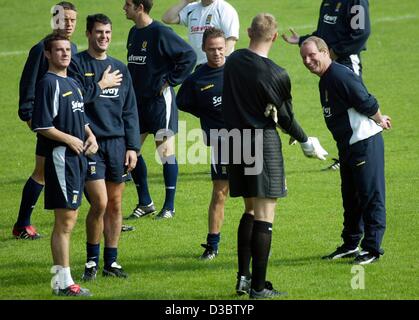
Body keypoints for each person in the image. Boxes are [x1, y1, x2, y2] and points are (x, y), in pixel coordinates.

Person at [222, 13, 327, 299]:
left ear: (248, 32)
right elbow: (286, 118)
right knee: (265, 218)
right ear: (275, 37)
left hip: (233, 143)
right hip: (261, 145)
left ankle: (243, 278)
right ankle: (258, 288)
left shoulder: (232, 61)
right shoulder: (276, 74)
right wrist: (307, 140)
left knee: (250, 211)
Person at [300, 36, 391, 265]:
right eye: (304, 57)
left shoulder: (339, 75)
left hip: (364, 143)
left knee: (370, 196)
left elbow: (365, 100)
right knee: (350, 198)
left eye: (312, 55)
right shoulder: (325, 80)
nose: (308, 60)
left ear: (325, 52)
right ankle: (350, 244)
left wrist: (380, 119)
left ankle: (371, 248)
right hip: (348, 147)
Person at [69, 14, 140, 280]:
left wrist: (133, 147)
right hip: (90, 144)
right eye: (99, 32)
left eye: (108, 32)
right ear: (88, 34)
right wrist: (100, 85)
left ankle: (111, 262)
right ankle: (90, 262)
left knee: (116, 204)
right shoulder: (76, 64)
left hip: (117, 144)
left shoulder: (120, 68)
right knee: (99, 202)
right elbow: (73, 102)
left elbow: (131, 110)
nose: (104, 37)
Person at [31, 33, 98, 296]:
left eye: (67, 49)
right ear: (48, 54)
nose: (65, 54)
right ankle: (63, 282)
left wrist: (89, 135)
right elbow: (42, 124)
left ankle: (64, 280)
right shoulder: (48, 83)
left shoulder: (72, 81)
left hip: (77, 158)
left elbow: (78, 116)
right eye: (58, 50)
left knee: (72, 217)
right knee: (65, 221)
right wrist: (70, 138)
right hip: (61, 158)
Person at [123, 0, 196, 220]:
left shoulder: (161, 32)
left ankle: (169, 206)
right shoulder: (133, 33)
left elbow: (189, 56)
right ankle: (145, 202)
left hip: (158, 103)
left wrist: (170, 80)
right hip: (137, 104)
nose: (123, 8)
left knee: (165, 154)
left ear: (140, 7)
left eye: (127, 4)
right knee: (130, 151)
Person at [14, 1, 78, 239]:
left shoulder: (70, 47)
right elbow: (28, 87)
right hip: (48, 125)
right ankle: (22, 224)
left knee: (78, 168)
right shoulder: (42, 49)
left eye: (73, 20)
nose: (69, 24)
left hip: (68, 122)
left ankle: (102, 216)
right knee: (41, 172)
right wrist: (31, 119)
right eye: (65, 20)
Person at [282, 0, 371, 170]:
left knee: (353, 107)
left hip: (346, 60)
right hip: (328, 61)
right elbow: (322, 35)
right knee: (337, 110)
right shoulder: (328, 2)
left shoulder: (354, 1)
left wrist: (335, 53)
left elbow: (360, 34)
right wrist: (302, 39)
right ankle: (345, 155)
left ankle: (360, 154)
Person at [176, 28, 228, 260]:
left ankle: (253, 243)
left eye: (220, 48)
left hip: (249, 141)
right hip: (222, 143)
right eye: (211, 49)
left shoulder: (238, 69)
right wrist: (206, 114)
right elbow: (182, 102)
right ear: (204, 48)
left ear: (225, 46)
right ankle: (212, 245)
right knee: (219, 193)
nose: (216, 53)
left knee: (252, 197)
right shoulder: (197, 77)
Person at [162, 0, 239, 67]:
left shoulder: (225, 9)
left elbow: (231, 39)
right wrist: (185, 1)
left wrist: (221, 64)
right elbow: (167, 18)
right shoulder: (191, 8)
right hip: (199, 66)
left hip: (218, 66)